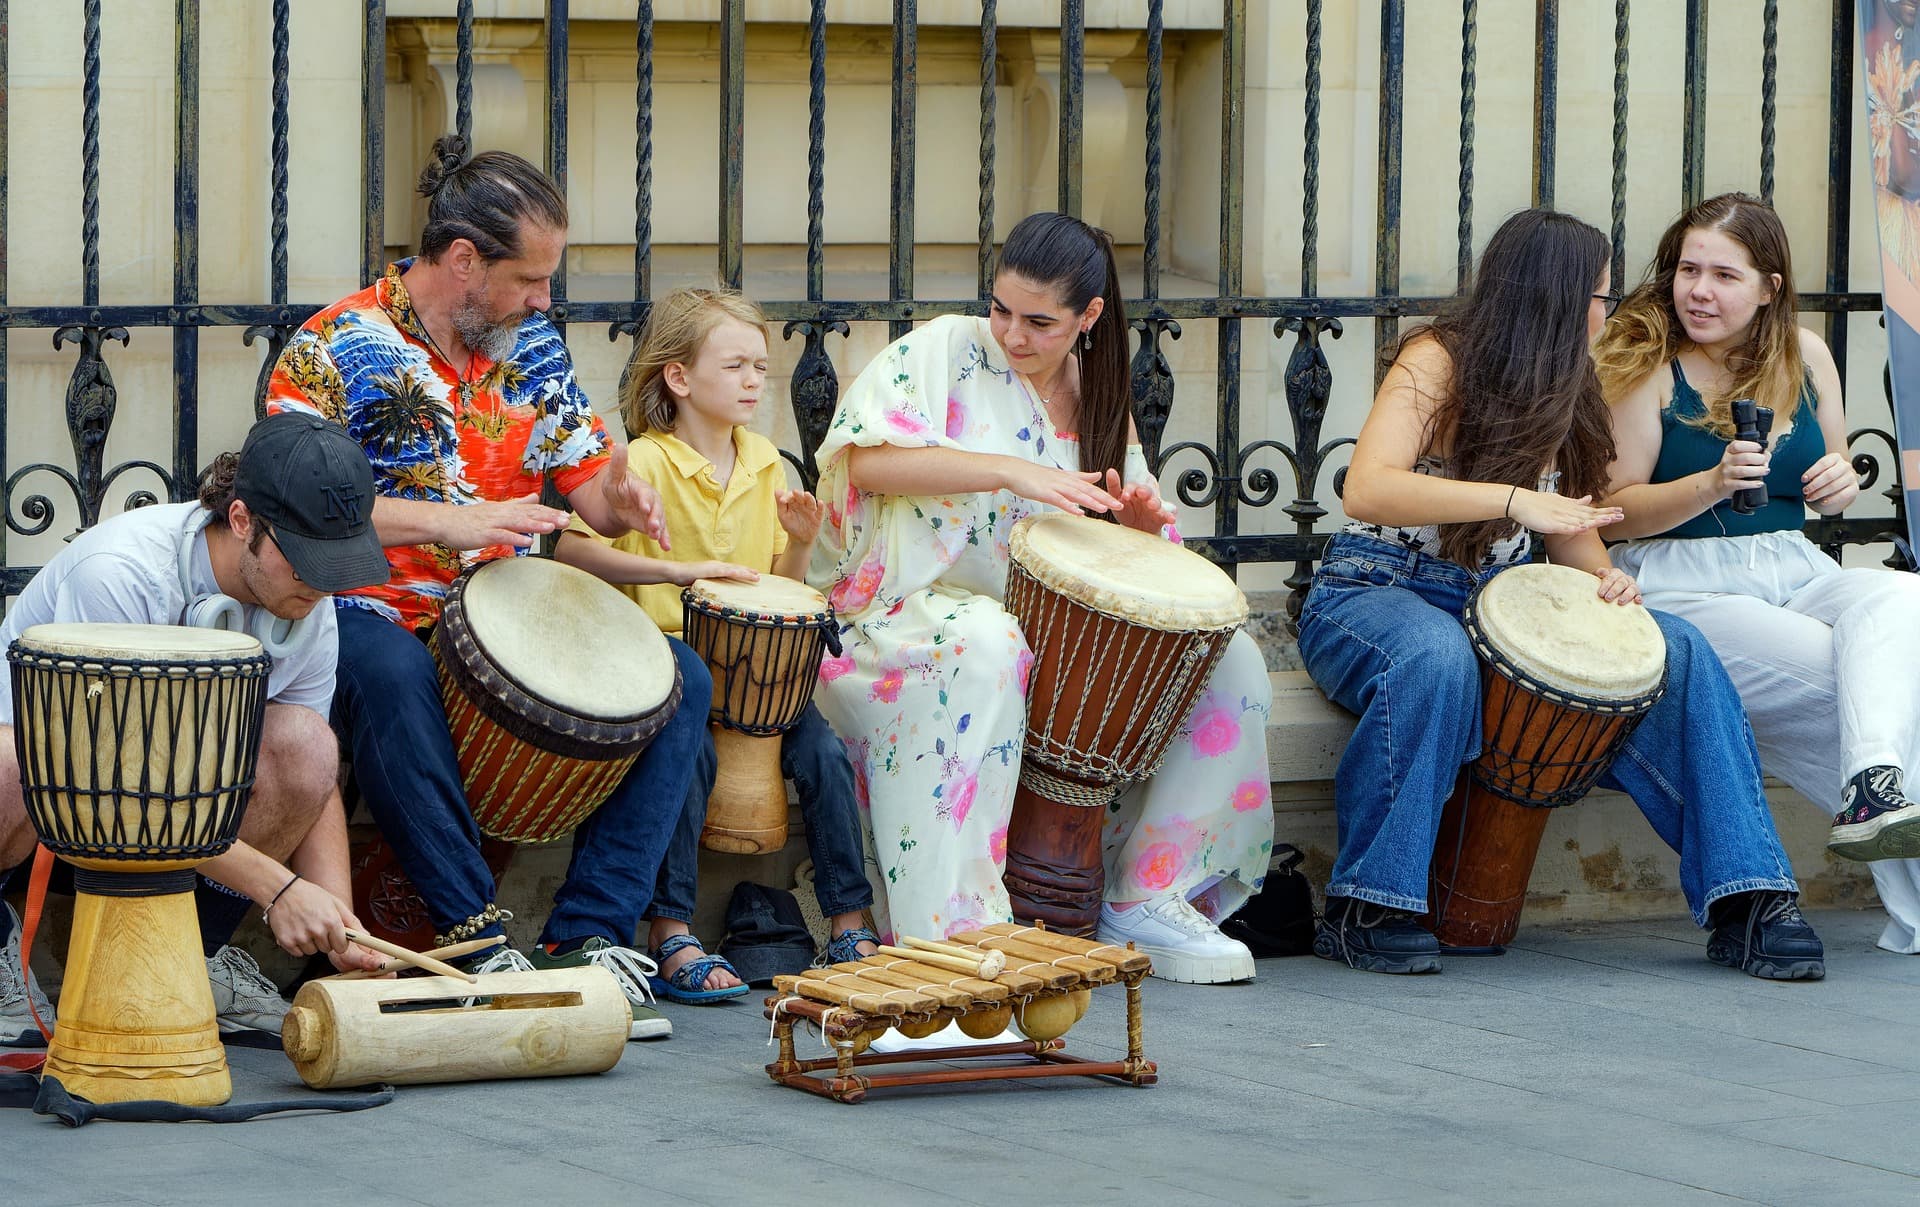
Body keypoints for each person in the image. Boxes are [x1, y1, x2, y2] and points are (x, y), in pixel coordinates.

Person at [1296, 207, 1825, 981]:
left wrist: (1602, 573)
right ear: (1557, 294)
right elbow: (1368, 490)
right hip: (1376, 591)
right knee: (1435, 659)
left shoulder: (1575, 377)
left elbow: (1571, 517)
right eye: (1601, 294)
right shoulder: (1437, 356)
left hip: (1499, 600)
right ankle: (1369, 904)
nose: (1609, 309)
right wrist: (1510, 501)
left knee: (1677, 648)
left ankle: (1751, 898)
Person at [264, 135, 710, 1041]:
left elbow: (588, 486)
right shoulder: (332, 345)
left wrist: (621, 496)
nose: (545, 299)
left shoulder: (530, 345)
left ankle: (590, 938)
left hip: (502, 615)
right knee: (392, 673)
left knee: (681, 679)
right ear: (463, 262)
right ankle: (475, 944)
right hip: (369, 607)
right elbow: (291, 504)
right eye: (529, 279)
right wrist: (448, 522)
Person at [807, 211, 1272, 984]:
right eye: (1001, 309)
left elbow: (1111, 535)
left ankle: (1150, 892)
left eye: (1038, 321)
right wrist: (1005, 468)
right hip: (904, 616)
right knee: (986, 643)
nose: (1012, 334)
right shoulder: (947, 350)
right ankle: (952, 937)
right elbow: (864, 461)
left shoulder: (1100, 397)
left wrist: (1137, 522)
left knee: (1233, 661)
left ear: (1088, 317)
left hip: (1042, 629)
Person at [1594, 193, 1920, 950]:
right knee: (1848, 677)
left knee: (1906, 602)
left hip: (1793, 563)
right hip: (1685, 582)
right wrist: (1708, 483)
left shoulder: (1806, 354)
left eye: (1724, 275)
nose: (1698, 290)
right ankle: (1883, 813)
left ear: (1771, 287)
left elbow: (1831, 466)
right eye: (1688, 269)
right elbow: (1609, 509)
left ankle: (1873, 781)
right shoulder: (1649, 367)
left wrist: (1839, 480)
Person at [0, 413, 391, 1044]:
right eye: (308, 561)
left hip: (182, 820)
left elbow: (312, 784)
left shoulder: (303, 600)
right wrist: (278, 889)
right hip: (53, 807)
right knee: (8, 759)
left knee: (307, 746)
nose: (322, 584)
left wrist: (343, 934)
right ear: (242, 521)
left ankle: (192, 954)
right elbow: (116, 784)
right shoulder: (119, 574)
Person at [554, 286, 879, 1002]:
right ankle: (670, 935)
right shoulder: (644, 461)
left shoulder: (764, 460)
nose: (754, 382)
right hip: (672, 670)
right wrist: (675, 570)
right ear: (678, 376)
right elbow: (573, 552)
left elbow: (774, 592)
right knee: (688, 757)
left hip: (759, 677)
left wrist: (797, 545)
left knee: (823, 753)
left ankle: (851, 921)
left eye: (760, 367)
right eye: (735, 366)